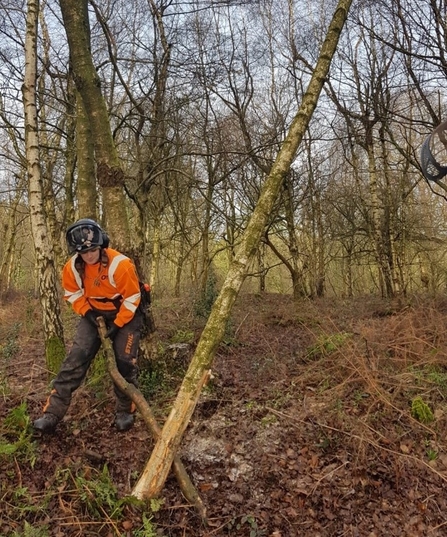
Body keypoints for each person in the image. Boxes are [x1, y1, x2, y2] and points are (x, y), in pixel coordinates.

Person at [33, 218, 144, 434]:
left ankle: (125, 410)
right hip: (93, 313)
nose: (89, 255)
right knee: (76, 357)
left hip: (126, 312)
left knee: (124, 361)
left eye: (92, 250)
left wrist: (118, 324)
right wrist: (87, 312)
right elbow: (72, 294)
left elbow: (133, 297)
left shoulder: (120, 265)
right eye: (83, 252)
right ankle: (52, 413)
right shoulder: (72, 268)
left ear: (101, 245)